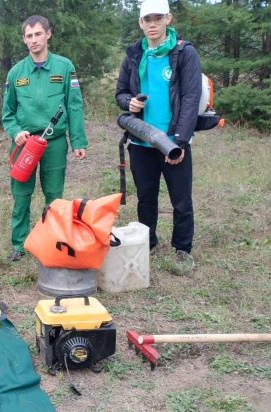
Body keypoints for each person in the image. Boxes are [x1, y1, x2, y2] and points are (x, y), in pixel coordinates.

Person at [115, 0, 200, 274]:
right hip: (141, 142)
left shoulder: (183, 53)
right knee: (146, 198)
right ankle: (148, 243)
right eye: (146, 19)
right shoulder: (133, 55)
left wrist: (180, 141)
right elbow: (120, 94)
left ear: (168, 19)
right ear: (140, 23)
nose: (152, 24)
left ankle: (182, 250)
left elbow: (190, 98)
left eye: (157, 18)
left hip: (173, 141)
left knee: (181, 200)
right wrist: (130, 102)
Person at [2, 15, 87, 262]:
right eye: (29, 36)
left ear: (48, 34)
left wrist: (78, 141)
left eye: (38, 34)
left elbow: (74, 106)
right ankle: (19, 244)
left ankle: (53, 242)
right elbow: (8, 113)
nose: (34, 40)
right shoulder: (16, 73)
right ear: (24, 39)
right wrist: (16, 131)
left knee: (54, 196)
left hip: (54, 142)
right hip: (24, 144)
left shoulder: (64, 67)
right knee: (21, 194)